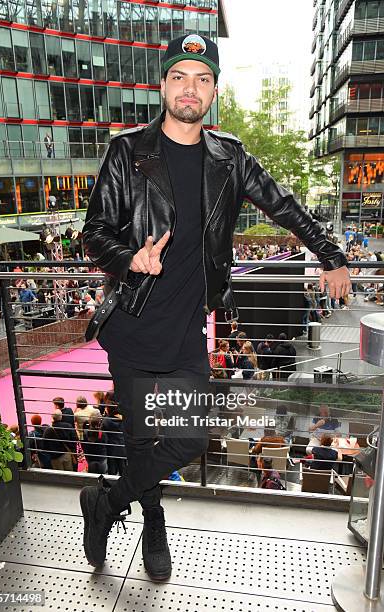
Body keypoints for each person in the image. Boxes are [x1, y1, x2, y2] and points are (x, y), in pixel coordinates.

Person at [79, 33, 351, 581]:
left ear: (213, 92)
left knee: (187, 438)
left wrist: (330, 252)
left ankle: (105, 502)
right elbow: (93, 233)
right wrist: (130, 258)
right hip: (131, 327)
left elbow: (283, 204)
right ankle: (151, 519)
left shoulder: (229, 156)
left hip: (184, 334)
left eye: (202, 79)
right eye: (179, 76)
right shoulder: (128, 151)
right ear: (162, 86)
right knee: (138, 440)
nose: (190, 88)